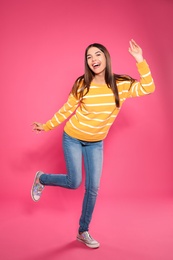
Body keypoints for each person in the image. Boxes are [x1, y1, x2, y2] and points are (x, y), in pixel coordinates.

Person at [31, 39, 155, 249]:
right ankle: (41, 178)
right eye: (89, 57)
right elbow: (66, 109)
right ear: (87, 63)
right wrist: (47, 126)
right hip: (73, 137)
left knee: (93, 188)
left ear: (106, 57)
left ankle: (82, 231)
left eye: (97, 54)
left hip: (95, 142)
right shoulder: (82, 84)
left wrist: (140, 60)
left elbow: (148, 88)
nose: (93, 59)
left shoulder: (121, 85)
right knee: (74, 181)